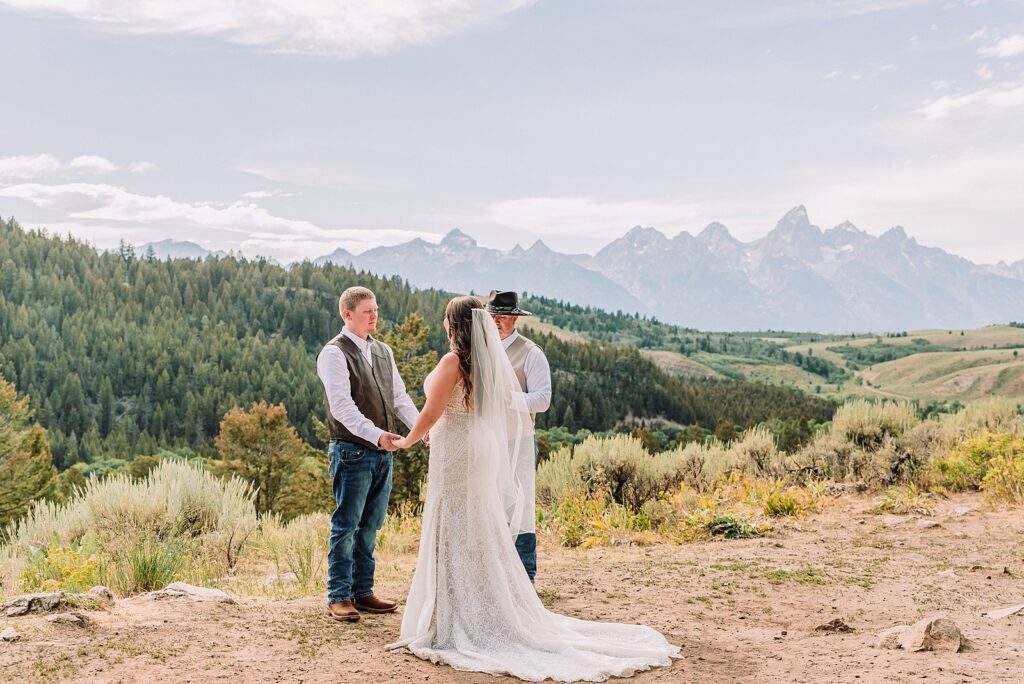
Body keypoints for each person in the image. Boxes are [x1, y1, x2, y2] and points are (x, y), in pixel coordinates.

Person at [385, 296, 679, 681]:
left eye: (445, 318)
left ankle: (452, 615)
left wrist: (407, 441)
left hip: (454, 451)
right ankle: (473, 605)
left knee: (452, 523)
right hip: (474, 449)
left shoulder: (452, 362)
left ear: (452, 325)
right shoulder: (486, 363)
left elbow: (430, 413)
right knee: (474, 526)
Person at [316, 286, 419, 623]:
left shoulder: (384, 351)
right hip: (351, 452)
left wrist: (422, 429)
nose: (375, 316)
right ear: (347, 314)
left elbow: (399, 398)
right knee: (346, 525)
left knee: (370, 526)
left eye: (376, 309)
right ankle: (339, 596)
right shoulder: (334, 353)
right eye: (367, 311)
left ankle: (363, 592)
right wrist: (378, 435)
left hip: (381, 454)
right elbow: (342, 407)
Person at [485, 290, 550, 583]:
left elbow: (543, 399)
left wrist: (509, 398)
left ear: (514, 318)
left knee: (521, 506)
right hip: (486, 441)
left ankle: (525, 576)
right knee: (491, 504)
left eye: (503, 316)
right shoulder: (482, 350)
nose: (497, 321)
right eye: (493, 316)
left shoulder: (531, 353)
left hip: (519, 440)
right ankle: (496, 576)